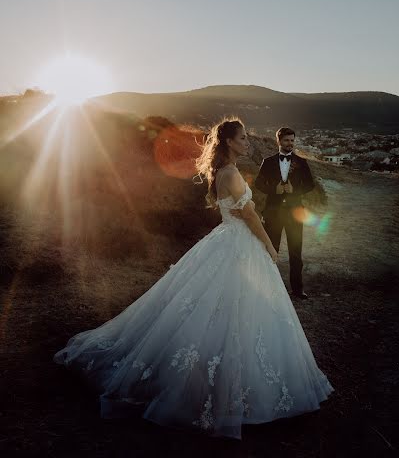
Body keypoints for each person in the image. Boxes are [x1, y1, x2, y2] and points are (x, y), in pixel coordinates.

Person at [54, 118, 333, 440]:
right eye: (242, 138)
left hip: (226, 238)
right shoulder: (230, 173)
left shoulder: (222, 172)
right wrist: (270, 246)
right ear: (228, 141)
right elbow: (251, 215)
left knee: (216, 304)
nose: (248, 143)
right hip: (240, 241)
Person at [254, 127, 314, 299]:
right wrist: (274, 190)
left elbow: (310, 185)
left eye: (292, 140)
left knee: (296, 252)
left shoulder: (302, 162)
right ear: (279, 141)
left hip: (295, 213)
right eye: (287, 140)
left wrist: (295, 190)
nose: (290, 144)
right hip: (273, 212)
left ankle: (297, 290)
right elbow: (258, 183)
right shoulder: (268, 162)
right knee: (271, 250)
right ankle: (267, 287)